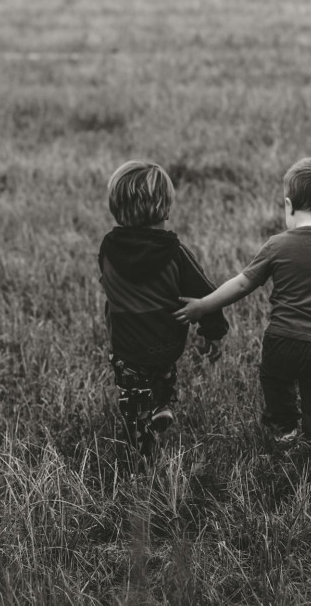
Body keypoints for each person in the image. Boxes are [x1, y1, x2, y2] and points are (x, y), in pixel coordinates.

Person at [174, 158, 311, 456]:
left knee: (276, 384)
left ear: (289, 205)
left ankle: (284, 429)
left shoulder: (277, 245)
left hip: (283, 342)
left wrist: (203, 305)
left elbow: (242, 284)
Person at [99, 160, 228, 458]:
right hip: (166, 343)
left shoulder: (108, 248)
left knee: (134, 399)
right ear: (165, 208)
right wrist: (213, 332)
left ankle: (140, 447)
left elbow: (107, 282)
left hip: (126, 346)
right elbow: (206, 294)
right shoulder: (175, 253)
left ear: (116, 208)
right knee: (162, 373)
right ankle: (161, 404)